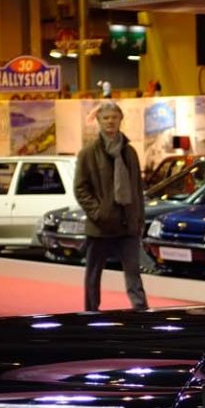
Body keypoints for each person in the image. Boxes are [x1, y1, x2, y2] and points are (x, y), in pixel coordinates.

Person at [74, 99, 147, 312]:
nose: (110, 122)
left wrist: (139, 219)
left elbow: (137, 190)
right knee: (93, 274)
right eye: (105, 118)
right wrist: (98, 213)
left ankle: (142, 312)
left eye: (114, 117)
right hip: (101, 227)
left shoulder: (130, 152)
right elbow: (80, 188)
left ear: (120, 120)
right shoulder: (88, 153)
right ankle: (90, 313)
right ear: (98, 121)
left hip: (128, 225)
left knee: (133, 273)